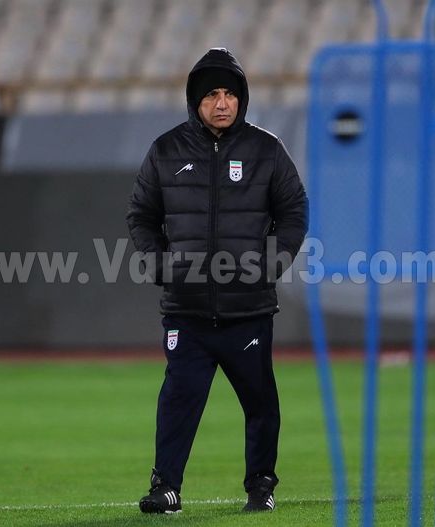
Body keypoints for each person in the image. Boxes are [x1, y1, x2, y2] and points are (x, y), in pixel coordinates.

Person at [126, 48, 308, 514]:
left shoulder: (266, 150)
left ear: (241, 98)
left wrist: (270, 265)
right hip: (185, 309)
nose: (222, 103)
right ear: (195, 100)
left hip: (247, 309)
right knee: (177, 402)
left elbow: (293, 211)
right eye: (212, 95)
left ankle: (260, 485)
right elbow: (142, 217)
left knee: (260, 402)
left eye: (230, 94)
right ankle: (166, 488)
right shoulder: (166, 151)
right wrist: (160, 264)